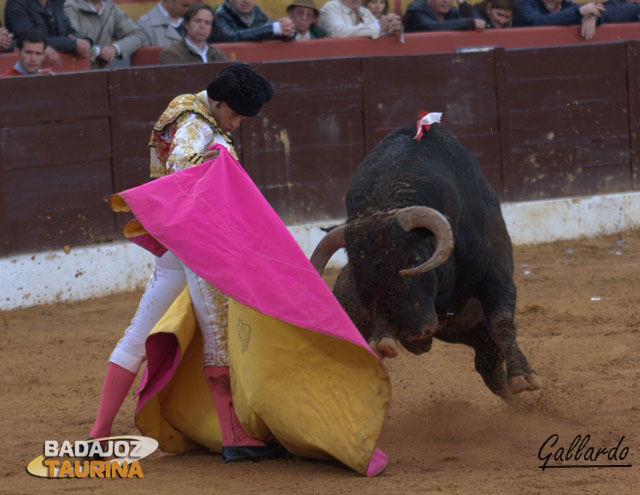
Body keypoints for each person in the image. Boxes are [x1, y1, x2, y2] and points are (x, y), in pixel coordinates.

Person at [89, 62, 286, 463]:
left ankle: (99, 434)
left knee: (136, 336)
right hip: (200, 245)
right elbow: (183, 164)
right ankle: (235, 437)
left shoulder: (184, 108)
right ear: (217, 100)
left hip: (175, 244)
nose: (236, 124)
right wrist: (216, 159)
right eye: (233, 115)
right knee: (220, 336)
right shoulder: (196, 123)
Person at [4, 0, 92, 65]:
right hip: (28, 69)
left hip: (61, 68)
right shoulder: (16, 4)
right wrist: (73, 44)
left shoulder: (56, 3)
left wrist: (86, 42)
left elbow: (68, 31)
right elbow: (30, 40)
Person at [63, 0, 146, 69]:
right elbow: (72, 42)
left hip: (102, 73)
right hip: (76, 71)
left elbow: (138, 35)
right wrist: (99, 52)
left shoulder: (110, 7)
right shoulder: (70, 6)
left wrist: (115, 48)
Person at [513, 0, 640, 40]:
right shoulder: (524, 3)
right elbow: (537, 23)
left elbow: (603, 15)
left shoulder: (568, 5)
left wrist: (591, 17)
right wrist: (579, 13)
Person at [158, 2, 226, 64]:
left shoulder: (218, 55)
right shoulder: (171, 53)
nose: (202, 26)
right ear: (186, 24)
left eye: (207, 23)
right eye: (197, 21)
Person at [209, 0, 296, 43]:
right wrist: (273, 28)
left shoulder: (256, 11)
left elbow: (271, 32)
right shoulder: (220, 14)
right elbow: (232, 37)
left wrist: (287, 30)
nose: (246, 1)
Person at [318, 0, 402, 38]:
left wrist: (392, 27)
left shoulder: (364, 11)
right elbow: (337, 32)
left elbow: (380, 30)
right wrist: (378, 27)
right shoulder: (330, 8)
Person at [403, 0, 486, 32]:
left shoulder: (452, 11)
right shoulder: (415, 9)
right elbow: (432, 27)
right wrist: (469, 22)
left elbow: (480, 24)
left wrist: (462, 3)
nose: (446, 1)